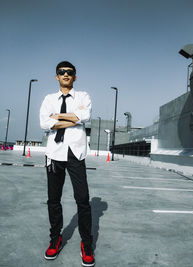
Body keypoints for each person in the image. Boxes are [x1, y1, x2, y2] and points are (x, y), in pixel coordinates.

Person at [40, 61, 95, 266]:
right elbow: (44, 122)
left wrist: (58, 117)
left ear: (75, 77)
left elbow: (85, 116)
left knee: (83, 199)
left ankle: (86, 244)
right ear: (57, 76)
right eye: (61, 72)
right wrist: (74, 119)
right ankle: (55, 239)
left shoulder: (83, 97)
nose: (65, 74)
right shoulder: (48, 99)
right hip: (54, 153)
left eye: (69, 72)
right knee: (53, 200)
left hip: (75, 153)